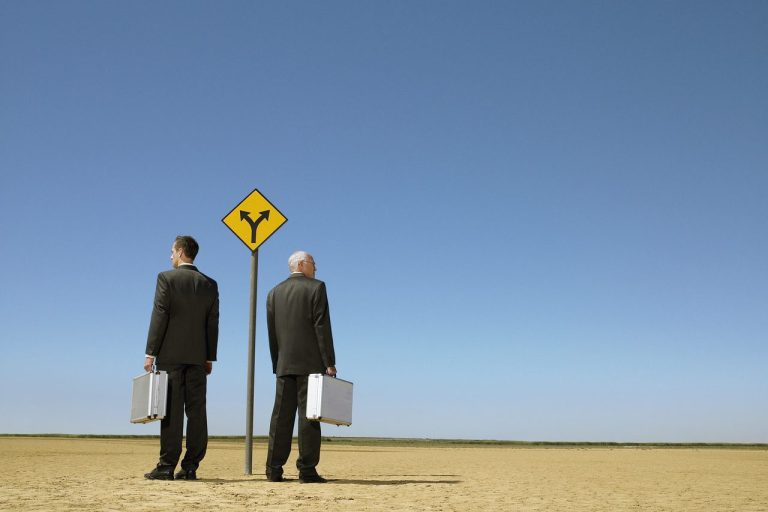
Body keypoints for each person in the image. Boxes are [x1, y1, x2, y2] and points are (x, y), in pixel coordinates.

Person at [143, 235, 219, 481]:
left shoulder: (166, 278)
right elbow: (212, 323)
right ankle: (190, 467)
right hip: (198, 358)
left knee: (172, 412)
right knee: (197, 412)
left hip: (171, 356)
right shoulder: (209, 284)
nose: (170, 256)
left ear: (180, 251)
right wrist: (209, 356)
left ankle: (166, 466)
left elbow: (160, 315)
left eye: (172, 251)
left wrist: (150, 353)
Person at [265, 251, 336, 483]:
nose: (316, 268)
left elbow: (272, 334)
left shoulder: (273, 293)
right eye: (314, 263)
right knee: (309, 419)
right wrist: (329, 362)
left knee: (280, 418)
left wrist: (277, 363)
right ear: (302, 264)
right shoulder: (316, 288)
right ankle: (306, 470)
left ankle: (273, 469)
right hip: (311, 365)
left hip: (284, 364)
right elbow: (321, 327)